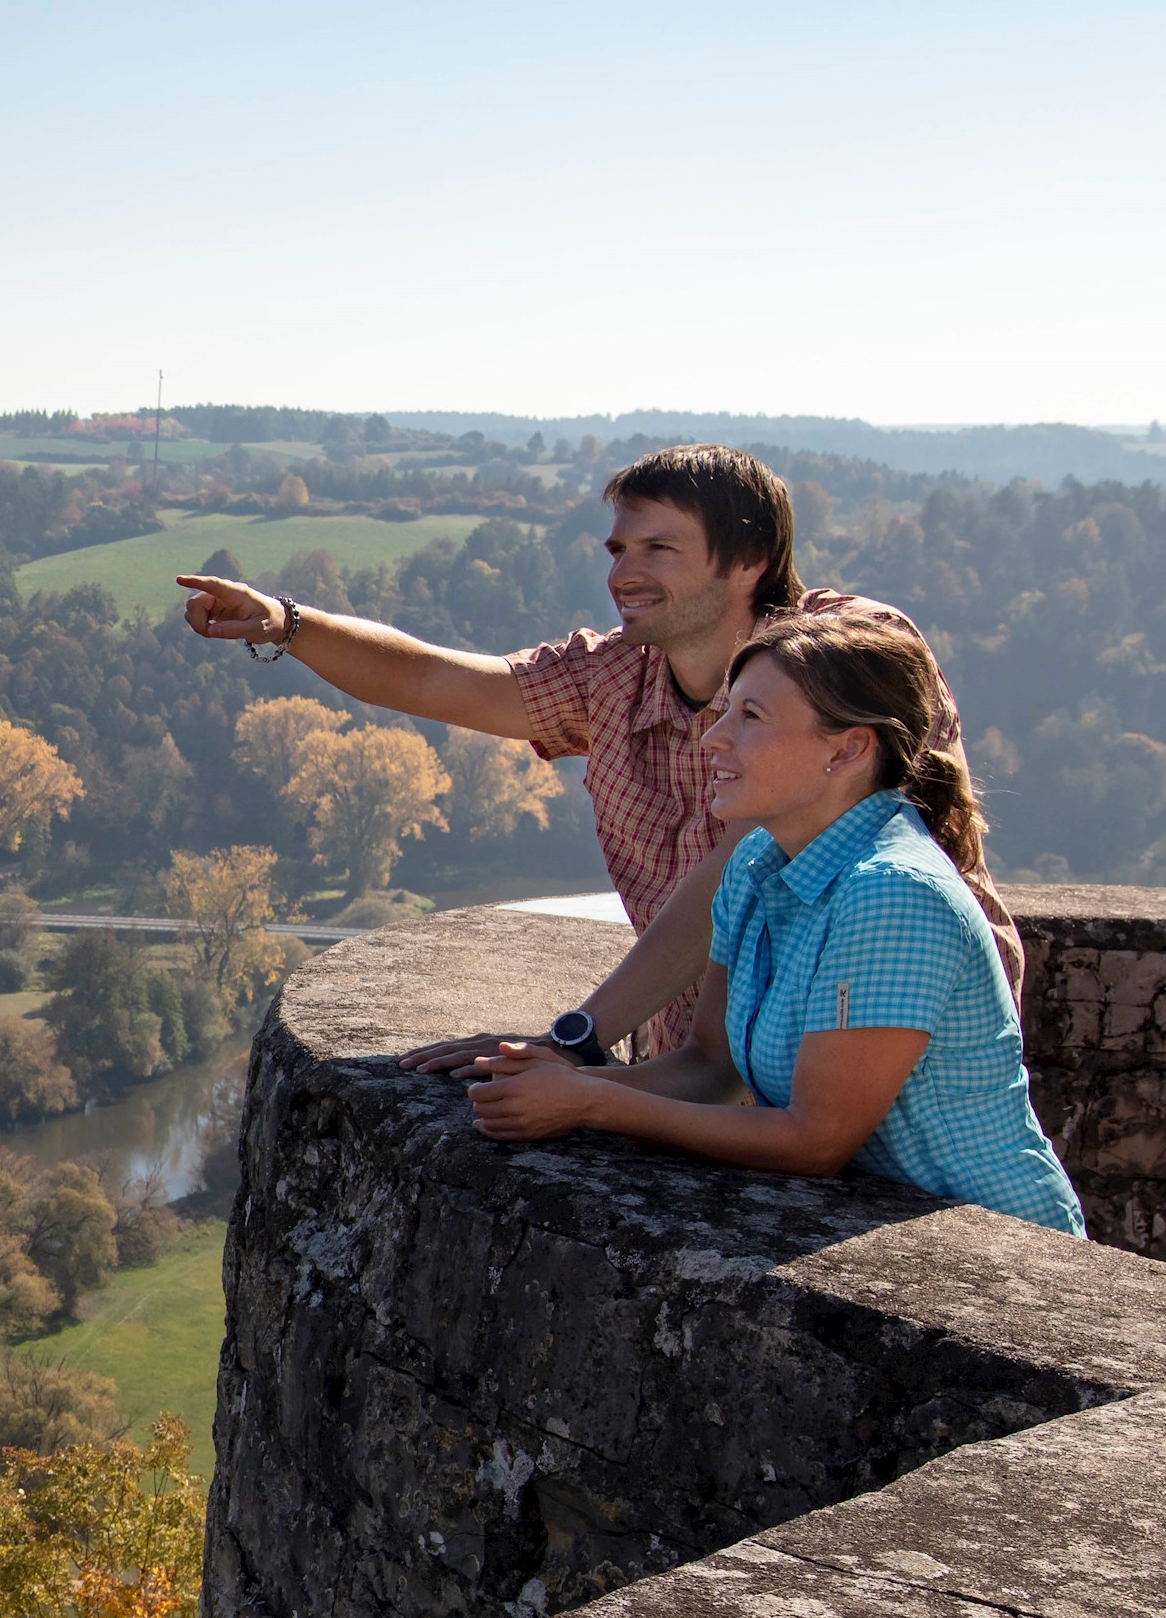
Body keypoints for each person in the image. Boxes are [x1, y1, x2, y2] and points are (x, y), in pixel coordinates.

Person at [174, 443, 1014, 1062]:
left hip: (888, 1051)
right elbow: (439, 682)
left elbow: (734, 874)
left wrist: (574, 1041)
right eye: (618, 549)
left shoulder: (847, 656)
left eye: (659, 549)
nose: (624, 574)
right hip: (704, 1063)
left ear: (750, 560)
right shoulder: (614, 674)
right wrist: (287, 624)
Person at [449, 610, 1079, 1233]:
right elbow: (708, 1066)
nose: (713, 738)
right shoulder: (757, 861)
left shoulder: (892, 895)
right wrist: (562, 1072)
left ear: (850, 749)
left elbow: (814, 1141)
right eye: (727, 711)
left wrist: (592, 1101)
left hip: (1008, 1254)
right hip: (902, 1239)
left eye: (750, 717)